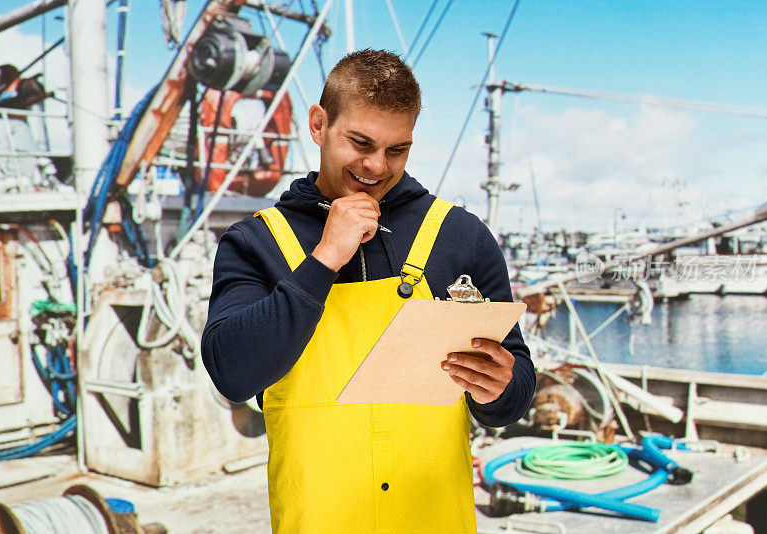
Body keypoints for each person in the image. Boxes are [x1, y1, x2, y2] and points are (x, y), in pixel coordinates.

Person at [202, 49, 535, 534]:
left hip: (436, 519)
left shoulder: (461, 236)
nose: (377, 166)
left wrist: (500, 388)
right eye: (360, 142)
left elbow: (516, 390)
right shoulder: (255, 242)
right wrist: (323, 260)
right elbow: (232, 373)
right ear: (319, 125)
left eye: (397, 149)